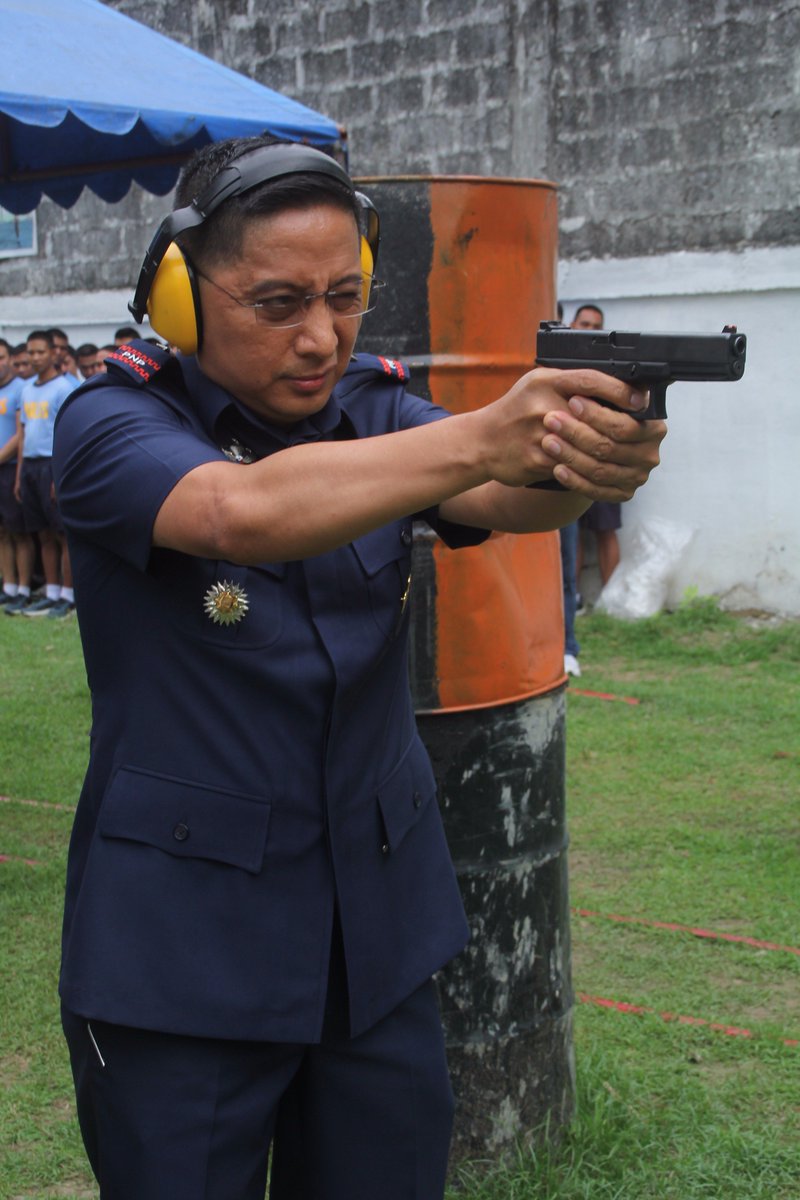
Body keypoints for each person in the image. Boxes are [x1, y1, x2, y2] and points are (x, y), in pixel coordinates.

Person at [53, 136, 665, 1200]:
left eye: (345, 296)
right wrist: (486, 435)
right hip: (182, 951)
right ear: (183, 298)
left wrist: (580, 458)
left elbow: (508, 501)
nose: (321, 335)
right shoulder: (112, 419)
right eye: (279, 301)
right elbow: (236, 512)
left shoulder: (379, 410)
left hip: (370, 933)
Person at [12, 330, 75, 617]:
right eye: (31, 352)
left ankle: (68, 593)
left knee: (63, 534)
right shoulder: (26, 390)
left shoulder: (63, 388)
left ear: (53, 353)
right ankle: (50, 592)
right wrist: (19, 475)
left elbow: (68, 433)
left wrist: (59, 474)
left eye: (40, 352)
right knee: (43, 534)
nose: (34, 357)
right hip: (30, 466)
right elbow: (23, 434)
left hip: (53, 464)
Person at [569, 304, 623, 599]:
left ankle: (612, 598)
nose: (590, 330)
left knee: (606, 529)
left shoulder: (612, 361)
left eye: (596, 325)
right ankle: (573, 597)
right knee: (569, 528)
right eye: (585, 324)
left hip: (604, 454)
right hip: (568, 453)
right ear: (573, 324)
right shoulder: (560, 361)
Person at [0, 337, 35, 610]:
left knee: (19, 530)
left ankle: (24, 587)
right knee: (3, 532)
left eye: (2, 357)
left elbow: (19, 434)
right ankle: (8, 585)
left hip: (11, 467)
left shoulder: (22, 389)